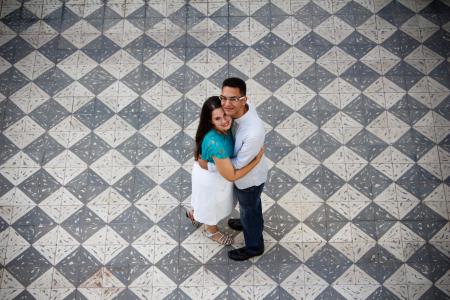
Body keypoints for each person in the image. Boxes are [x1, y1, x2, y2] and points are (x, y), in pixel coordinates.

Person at [199, 78, 269, 261]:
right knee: (251, 207)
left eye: (233, 99)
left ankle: (254, 246)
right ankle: (252, 223)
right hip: (249, 174)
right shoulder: (239, 110)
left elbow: (236, 166)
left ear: (244, 100)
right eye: (224, 97)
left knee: (248, 208)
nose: (226, 104)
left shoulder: (253, 133)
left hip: (249, 180)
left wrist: (209, 164)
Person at [188, 96, 264, 245]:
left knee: (207, 203)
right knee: (212, 207)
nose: (224, 121)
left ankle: (195, 214)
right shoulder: (216, 143)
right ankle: (212, 232)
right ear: (210, 122)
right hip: (210, 180)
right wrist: (255, 161)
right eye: (217, 119)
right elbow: (231, 175)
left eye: (225, 114)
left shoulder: (225, 127)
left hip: (214, 171)